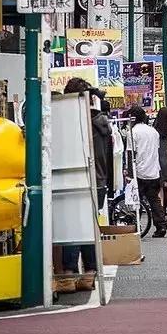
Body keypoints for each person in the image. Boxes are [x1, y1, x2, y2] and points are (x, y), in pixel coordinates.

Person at [59, 78, 112, 284]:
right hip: (98, 181)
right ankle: (89, 272)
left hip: (75, 177)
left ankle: (70, 272)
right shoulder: (102, 123)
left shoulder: (75, 123)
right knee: (88, 225)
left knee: (71, 225)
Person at [127, 106, 167, 238]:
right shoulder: (153, 132)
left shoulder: (132, 132)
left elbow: (130, 153)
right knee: (154, 199)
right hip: (154, 170)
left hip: (140, 171)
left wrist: (128, 172)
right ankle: (161, 226)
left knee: (135, 200)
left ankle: (135, 226)